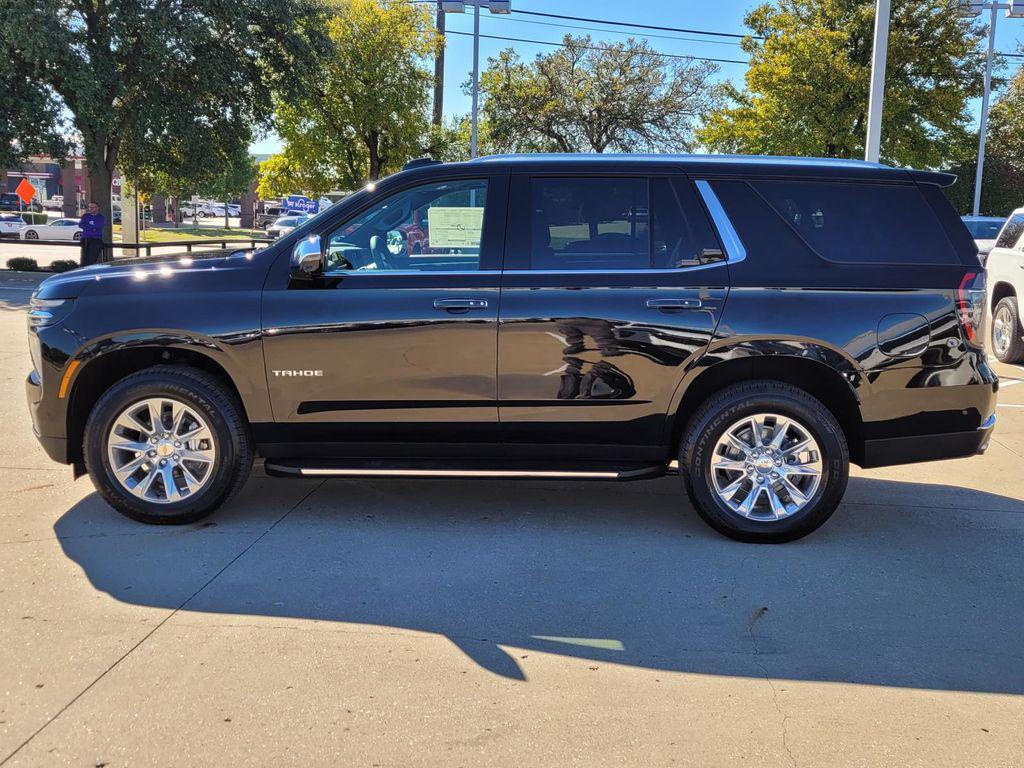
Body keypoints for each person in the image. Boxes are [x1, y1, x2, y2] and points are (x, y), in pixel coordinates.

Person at [78, 201, 105, 266]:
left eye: (93, 207)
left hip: (96, 240)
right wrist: (92, 228)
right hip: (85, 240)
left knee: (91, 260)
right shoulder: (85, 216)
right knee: (84, 260)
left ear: (98, 208)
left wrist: (88, 227)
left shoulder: (101, 217)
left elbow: (99, 226)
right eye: (90, 207)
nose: (91, 209)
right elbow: (81, 225)